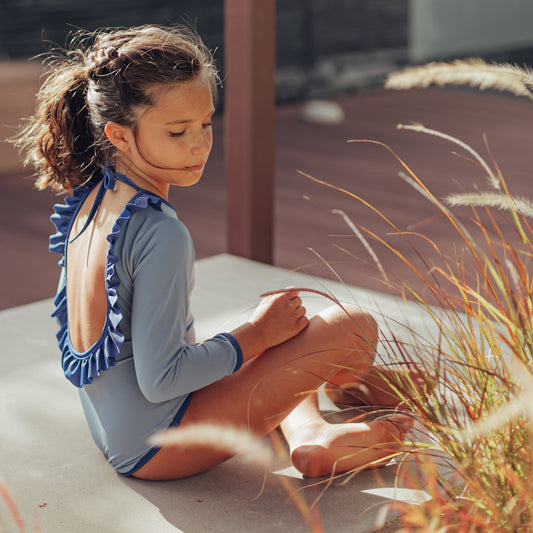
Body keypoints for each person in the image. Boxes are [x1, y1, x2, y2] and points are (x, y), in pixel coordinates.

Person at [16, 24, 416, 481]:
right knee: (352, 325)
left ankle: (316, 424)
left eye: (205, 123)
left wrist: (262, 332)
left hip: (115, 430)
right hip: (162, 444)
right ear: (120, 136)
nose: (200, 144)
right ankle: (342, 387)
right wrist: (257, 337)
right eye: (178, 131)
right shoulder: (160, 233)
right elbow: (162, 380)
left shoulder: (89, 203)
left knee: (282, 322)